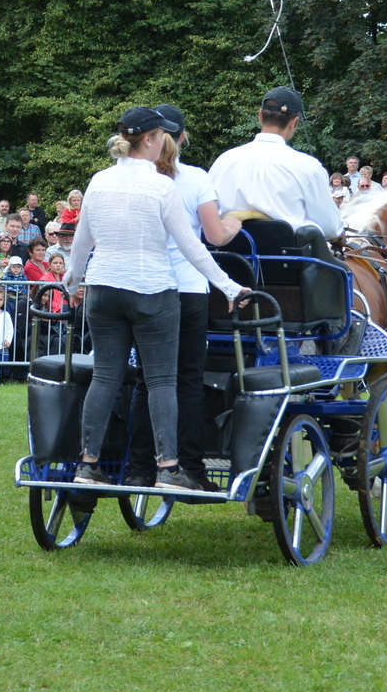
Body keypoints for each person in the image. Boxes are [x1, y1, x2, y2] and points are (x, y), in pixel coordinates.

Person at [67, 107, 249, 494]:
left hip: (103, 288)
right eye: (161, 136)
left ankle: (88, 464)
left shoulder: (99, 181)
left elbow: (82, 242)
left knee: (105, 377)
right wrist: (229, 286)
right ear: (149, 139)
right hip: (152, 289)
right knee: (162, 380)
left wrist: (72, 281)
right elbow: (192, 248)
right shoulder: (162, 186)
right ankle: (169, 468)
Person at [124, 103, 243, 488]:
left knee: (148, 379)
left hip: (146, 287)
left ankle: (140, 467)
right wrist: (234, 221)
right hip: (188, 288)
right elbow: (215, 237)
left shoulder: (131, 179)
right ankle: (190, 467)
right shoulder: (195, 179)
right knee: (189, 380)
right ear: (183, 137)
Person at [208, 86, 342, 264]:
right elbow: (331, 229)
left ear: (260, 116)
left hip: (228, 265)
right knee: (346, 273)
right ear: (294, 122)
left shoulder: (223, 161)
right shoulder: (308, 167)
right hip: (293, 269)